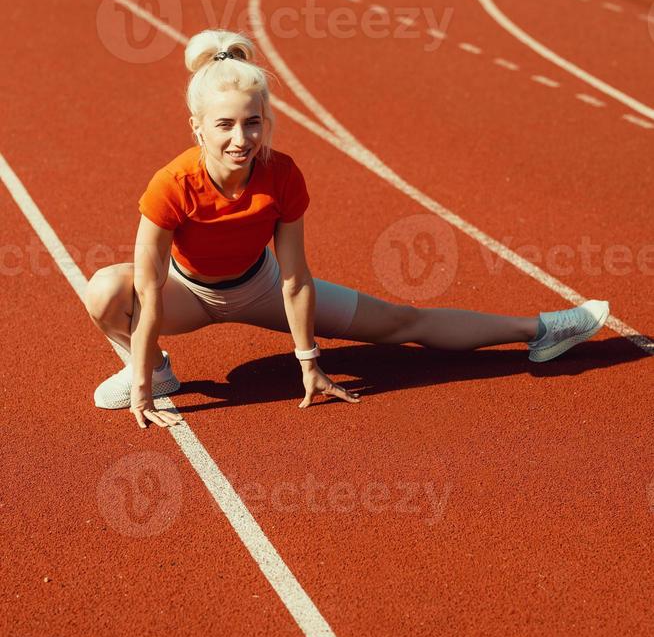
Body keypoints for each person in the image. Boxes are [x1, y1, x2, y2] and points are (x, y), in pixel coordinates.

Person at [84, 30, 610, 430]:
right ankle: (154, 369)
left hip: (261, 287)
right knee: (107, 289)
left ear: (266, 119)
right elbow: (150, 290)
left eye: (253, 122)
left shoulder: (281, 174)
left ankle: (539, 332)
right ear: (197, 126)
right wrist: (140, 389)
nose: (241, 138)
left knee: (405, 322)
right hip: (188, 294)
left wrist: (309, 360)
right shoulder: (171, 184)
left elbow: (294, 278)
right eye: (224, 125)